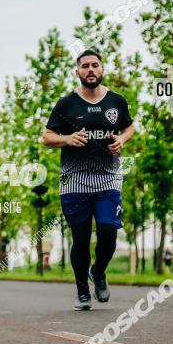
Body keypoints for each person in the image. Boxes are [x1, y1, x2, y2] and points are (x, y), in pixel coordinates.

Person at [41, 49, 135, 311]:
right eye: (85, 66)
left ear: (102, 70)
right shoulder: (66, 104)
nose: (90, 69)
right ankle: (82, 289)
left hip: (108, 178)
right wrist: (66, 139)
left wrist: (122, 140)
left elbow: (129, 127)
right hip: (74, 179)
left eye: (95, 65)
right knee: (80, 237)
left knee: (108, 232)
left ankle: (99, 271)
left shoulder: (116, 101)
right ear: (77, 72)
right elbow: (47, 137)